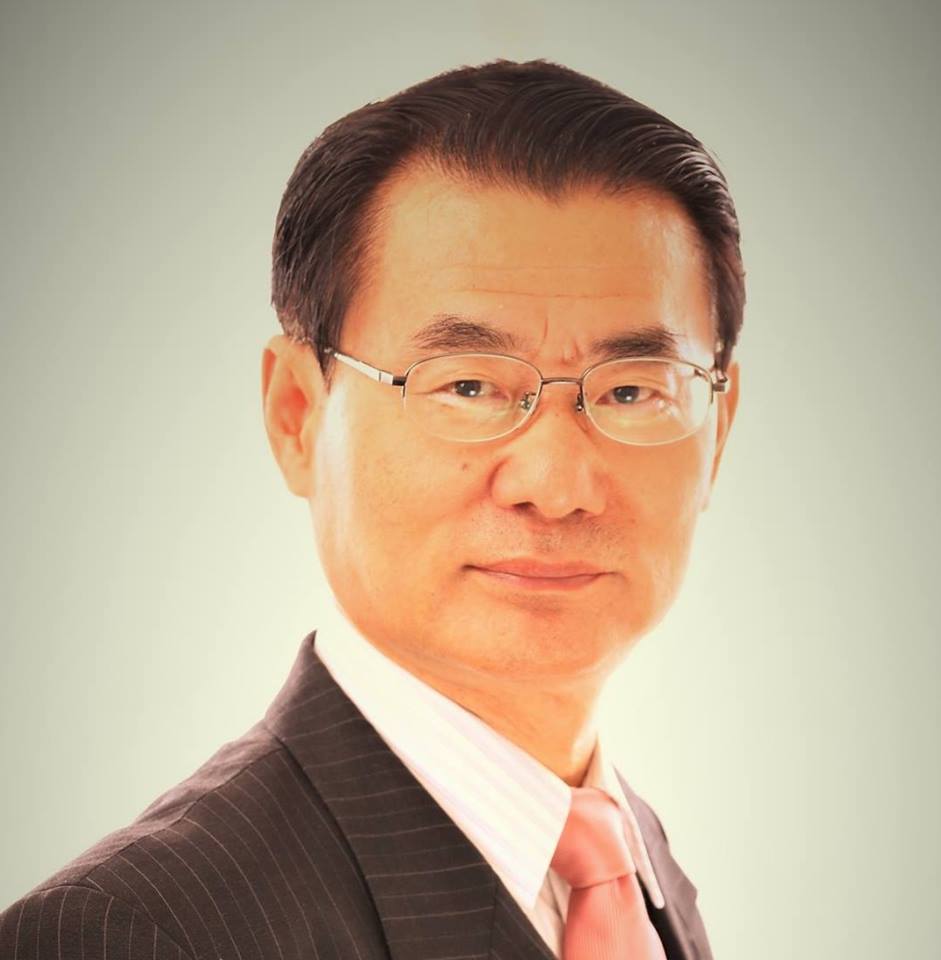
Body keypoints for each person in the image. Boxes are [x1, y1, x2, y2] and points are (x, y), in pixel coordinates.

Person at [0, 59, 743, 960]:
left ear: (719, 429)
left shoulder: (626, 867)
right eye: (466, 385)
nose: (555, 484)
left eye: (631, 391)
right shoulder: (129, 935)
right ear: (297, 415)